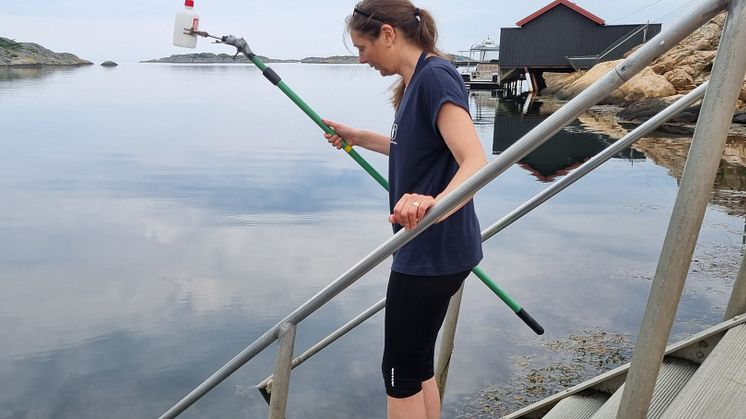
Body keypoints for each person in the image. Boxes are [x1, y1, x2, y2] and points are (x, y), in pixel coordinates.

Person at [323, 1, 487, 418]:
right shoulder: (417, 79)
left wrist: (433, 202)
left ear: (388, 35)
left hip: (431, 251)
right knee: (415, 365)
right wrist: (359, 137)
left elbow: (475, 161)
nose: (361, 58)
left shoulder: (435, 77)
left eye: (363, 47)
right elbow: (413, 149)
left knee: (397, 372)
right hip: (438, 249)